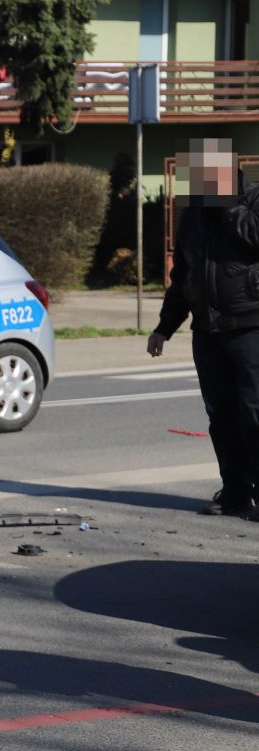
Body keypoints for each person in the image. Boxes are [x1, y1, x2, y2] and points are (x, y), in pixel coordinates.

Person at [148, 138, 259, 518]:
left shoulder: (252, 200)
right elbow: (183, 276)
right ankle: (235, 492)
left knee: (255, 412)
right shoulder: (193, 214)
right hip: (208, 331)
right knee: (222, 417)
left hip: (251, 327)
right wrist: (164, 327)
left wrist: (226, 206)